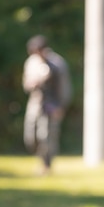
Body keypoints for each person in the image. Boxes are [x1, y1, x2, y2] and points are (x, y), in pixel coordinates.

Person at [22, 35, 72, 174]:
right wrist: (34, 82)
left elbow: (64, 87)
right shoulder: (31, 63)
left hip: (52, 104)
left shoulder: (57, 63)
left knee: (47, 137)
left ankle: (46, 166)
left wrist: (61, 106)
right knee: (31, 137)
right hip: (35, 103)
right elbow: (26, 84)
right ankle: (41, 160)